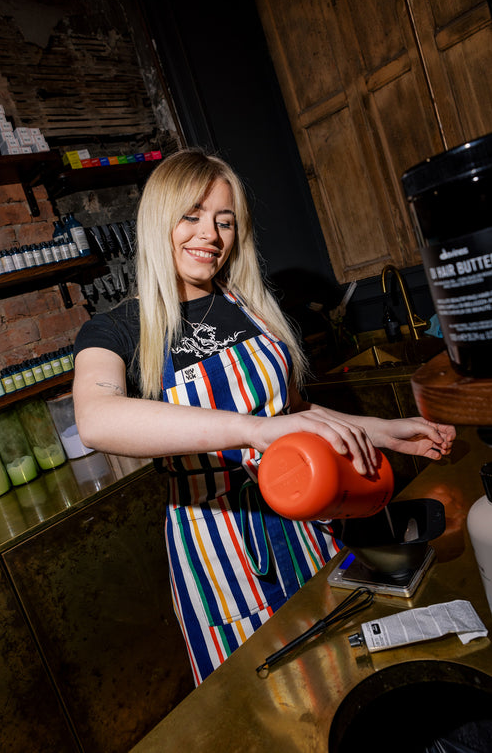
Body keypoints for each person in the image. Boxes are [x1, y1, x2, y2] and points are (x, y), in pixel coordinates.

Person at [72, 149, 455, 685]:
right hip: (219, 544)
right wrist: (254, 431)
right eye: (191, 216)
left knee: (344, 670)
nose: (210, 235)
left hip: (308, 516)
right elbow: (97, 418)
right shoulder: (117, 330)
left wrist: (384, 432)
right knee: (265, 694)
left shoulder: (247, 307)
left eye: (224, 221)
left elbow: (291, 414)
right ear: (159, 219)